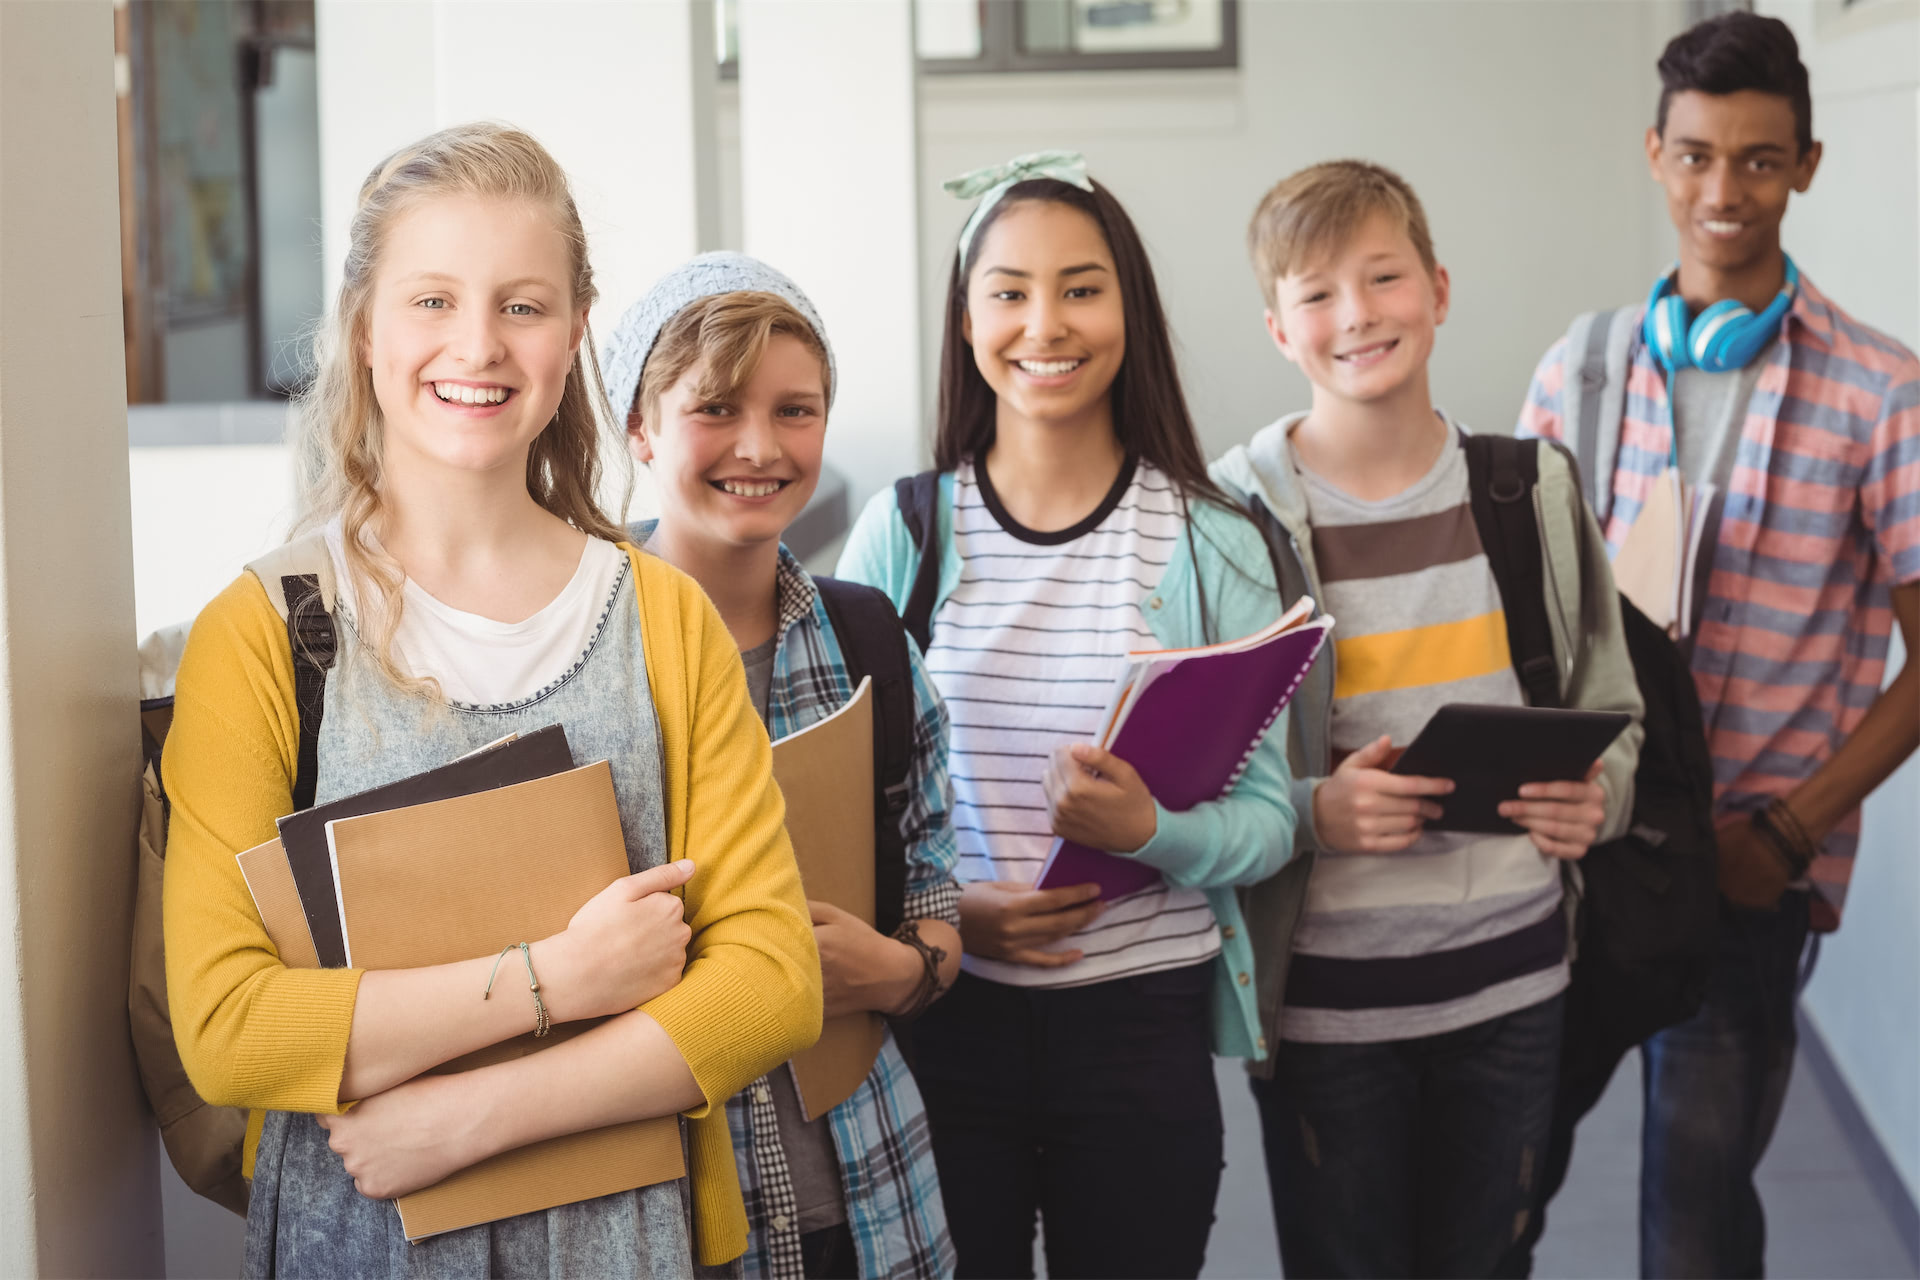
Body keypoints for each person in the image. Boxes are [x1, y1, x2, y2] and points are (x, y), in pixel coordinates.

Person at [161, 123, 822, 1277]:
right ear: (365, 328)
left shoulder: (663, 618)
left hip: (629, 1243)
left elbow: (768, 983)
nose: (478, 343)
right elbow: (227, 1029)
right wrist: (556, 979)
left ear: (574, 334)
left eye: (523, 305)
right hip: (350, 1237)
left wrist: (472, 1114)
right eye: (432, 300)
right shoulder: (262, 635)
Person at [837, 151, 1297, 1280]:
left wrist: (1153, 831)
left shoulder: (1214, 538)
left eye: (1082, 287)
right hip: (947, 1018)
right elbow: (829, 804)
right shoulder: (904, 533)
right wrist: (943, 913)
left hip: (1140, 1029)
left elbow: (1274, 817)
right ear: (965, 316)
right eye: (1010, 291)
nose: (1046, 321)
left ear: (1129, 308)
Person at [1509, 13, 1920, 1276]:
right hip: (1578, 856)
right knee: (1497, 1198)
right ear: (1654, 154)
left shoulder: (1882, 393)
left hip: (1747, 872)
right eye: (1696, 156)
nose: (1722, 191)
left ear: (1807, 162)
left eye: (1757, 158)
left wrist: (1789, 835)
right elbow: (1522, 617)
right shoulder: (1577, 368)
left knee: (1692, 1230)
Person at [1210, 158, 1643, 1279]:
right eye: (1316, 293)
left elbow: (1613, 703)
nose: (1355, 314)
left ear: (1439, 291)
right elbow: (1199, 774)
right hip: (1327, 1008)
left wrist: (1601, 794)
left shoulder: (1531, 488)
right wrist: (1315, 809)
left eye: (1383, 277)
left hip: (1516, 983)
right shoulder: (1229, 516)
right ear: (1277, 329)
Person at [599, 252, 963, 1280]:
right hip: (661, 1216)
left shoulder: (870, 642)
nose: (760, 447)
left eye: (796, 411)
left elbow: (933, 886)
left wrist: (895, 969)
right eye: (714, 407)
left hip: (873, 1194)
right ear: (638, 426)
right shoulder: (573, 654)